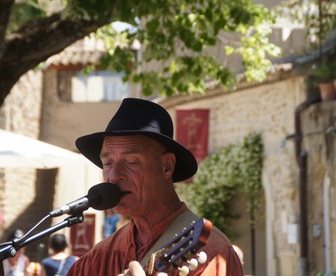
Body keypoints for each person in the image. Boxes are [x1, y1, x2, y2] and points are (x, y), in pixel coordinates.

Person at [67, 98, 244, 276]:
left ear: (167, 166)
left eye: (131, 161)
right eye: (107, 163)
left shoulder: (212, 254)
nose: (113, 176)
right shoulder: (98, 258)